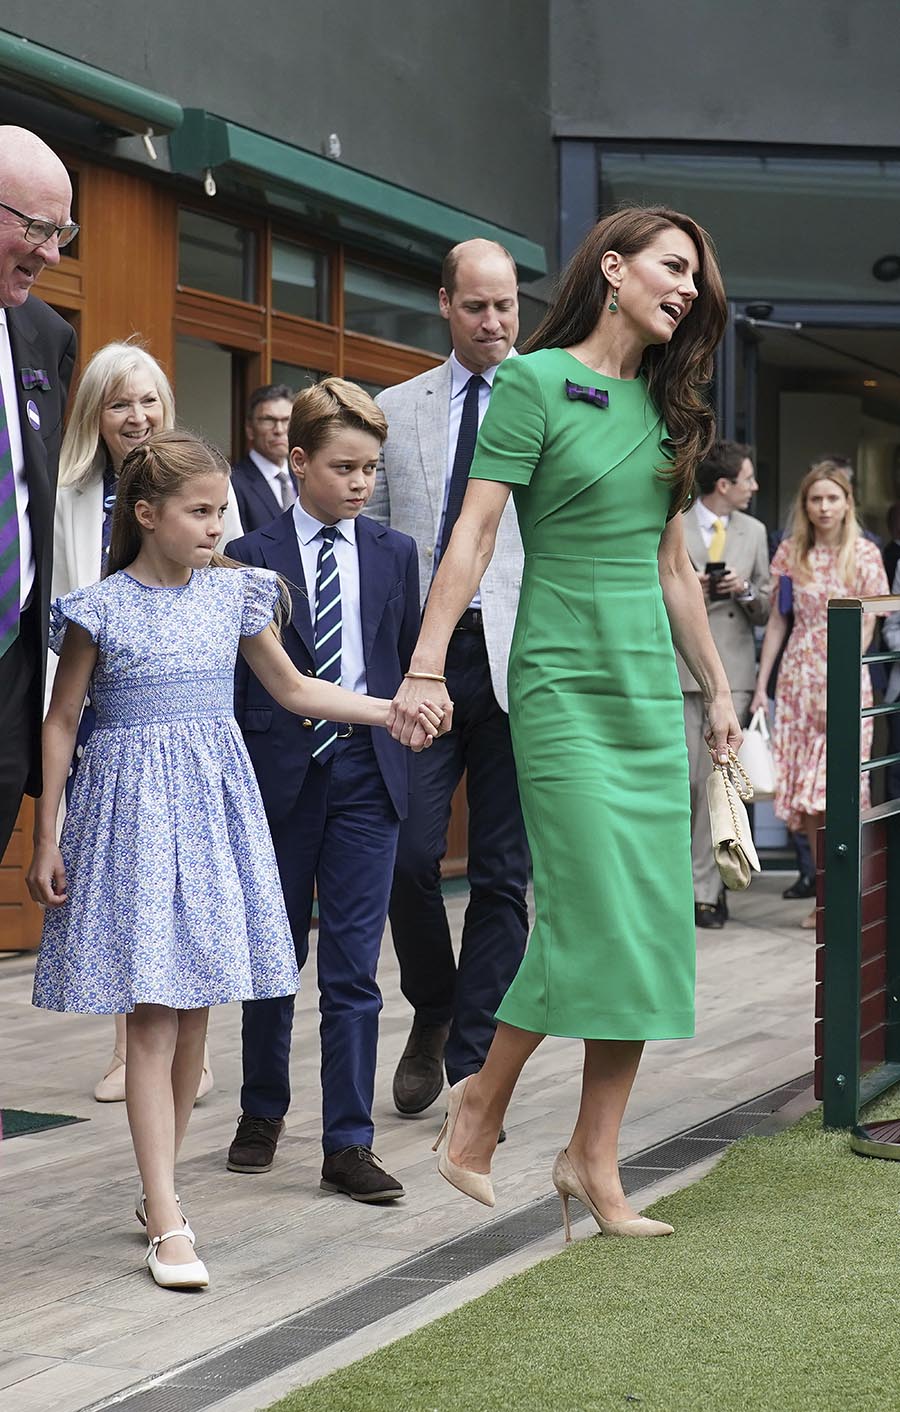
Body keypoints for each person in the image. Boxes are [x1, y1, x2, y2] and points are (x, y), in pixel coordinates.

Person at [389, 205, 739, 1239]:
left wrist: (717, 690)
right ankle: (481, 1105)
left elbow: (676, 569)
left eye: (697, 280)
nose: (686, 288)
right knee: (589, 912)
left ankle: (594, 1156)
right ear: (615, 266)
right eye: (673, 268)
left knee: (645, 921)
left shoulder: (666, 412)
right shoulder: (535, 383)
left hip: (642, 687)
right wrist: (422, 661)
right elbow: (473, 532)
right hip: (557, 680)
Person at [26, 429, 440, 1290]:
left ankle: (160, 1188)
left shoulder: (241, 596)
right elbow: (62, 721)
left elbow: (293, 691)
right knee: (152, 1015)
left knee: (195, 1017)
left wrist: (389, 709)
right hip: (130, 817)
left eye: (224, 509)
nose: (219, 525)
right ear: (147, 515)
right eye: (200, 511)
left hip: (214, 812)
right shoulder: (99, 608)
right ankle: (167, 1218)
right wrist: (46, 835)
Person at [225, 379, 423, 1201]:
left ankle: (348, 1142)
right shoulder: (248, 557)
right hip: (276, 778)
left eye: (371, 469)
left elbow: (406, 659)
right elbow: (244, 686)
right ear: (298, 460)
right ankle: (262, 1110)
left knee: (353, 970)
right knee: (275, 957)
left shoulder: (394, 553)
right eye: (344, 466)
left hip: (367, 780)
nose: (359, 483)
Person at [51, 340, 239, 1103]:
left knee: (180, 876)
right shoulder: (65, 490)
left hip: (180, 706)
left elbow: (223, 579)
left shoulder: (195, 491)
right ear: (95, 414)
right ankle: (129, 1049)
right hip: (98, 694)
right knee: (122, 877)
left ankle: (176, 1041)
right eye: (119, 402)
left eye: (149, 399)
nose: (137, 415)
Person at [369, 238, 530, 1121]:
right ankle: (434, 1005)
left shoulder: (549, 401)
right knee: (409, 856)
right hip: (421, 665)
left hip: (517, 662)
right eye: (476, 306)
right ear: (445, 304)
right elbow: (386, 547)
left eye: (505, 305)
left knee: (505, 873)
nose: (494, 321)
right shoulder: (398, 409)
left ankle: (470, 1064)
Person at [750, 462, 889, 928]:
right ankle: (826, 898)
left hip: (845, 676)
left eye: (833, 498)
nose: (824, 507)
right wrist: (759, 686)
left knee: (839, 790)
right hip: (797, 680)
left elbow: (869, 622)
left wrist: (844, 681)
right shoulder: (790, 552)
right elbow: (778, 620)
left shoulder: (865, 555)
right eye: (816, 499)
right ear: (805, 505)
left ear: (848, 502)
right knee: (808, 799)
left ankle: (850, 897)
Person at [0, 126, 77, 859]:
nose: (52, 254)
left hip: (9, 668)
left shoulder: (46, 336)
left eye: (62, 232)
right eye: (38, 228)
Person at [677, 441, 771, 928]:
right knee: (686, 785)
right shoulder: (674, 520)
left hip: (731, 675)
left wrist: (746, 589)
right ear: (723, 485)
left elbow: (768, 606)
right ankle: (685, 886)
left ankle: (708, 892)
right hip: (676, 671)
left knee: (720, 786)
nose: (754, 487)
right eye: (748, 479)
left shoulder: (754, 533)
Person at [231, 384, 297, 532]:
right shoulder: (234, 482)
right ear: (250, 429)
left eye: (287, 420)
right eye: (269, 420)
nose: (279, 430)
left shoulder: (304, 477)